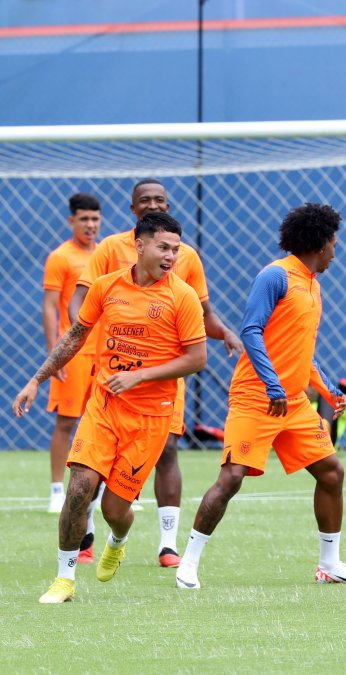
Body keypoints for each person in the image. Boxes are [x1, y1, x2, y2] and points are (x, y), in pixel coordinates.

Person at [175, 203, 346, 589]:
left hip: (293, 401)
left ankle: (329, 565)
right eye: (334, 243)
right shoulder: (275, 275)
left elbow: (299, 350)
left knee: (332, 473)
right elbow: (251, 331)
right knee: (231, 478)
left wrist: (328, 390)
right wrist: (272, 384)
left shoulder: (313, 284)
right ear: (320, 243)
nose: (335, 251)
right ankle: (188, 563)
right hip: (257, 396)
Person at [14, 211, 207, 603]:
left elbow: (197, 358)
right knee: (79, 488)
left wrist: (141, 375)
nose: (171, 256)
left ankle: (118, 539)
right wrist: (37, 378)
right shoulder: (107, 286)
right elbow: (76, 335)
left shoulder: (182, 296)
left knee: (115, 509)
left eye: (175, 250)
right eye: (163, 247)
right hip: (104, 406)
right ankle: (64, 579)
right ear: (139, 244)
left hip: (151, 417)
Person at [68, 178, 244, 568]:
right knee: (90, 464)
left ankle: (167, 544)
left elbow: (203, 313)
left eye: (159, 199)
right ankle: (87, 537)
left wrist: (226, 332)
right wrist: (84, 331)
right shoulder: (109, 249)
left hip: (161, 378)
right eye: (144, 199)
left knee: (167, 449)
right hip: (113, 373)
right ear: (133, 210)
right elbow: (81, 301)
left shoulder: (186, 257)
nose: (152, 204)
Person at [42, 193, 101, 516]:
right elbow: (51, 307)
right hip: (74, 354)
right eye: (84, 219)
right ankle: (56, 490)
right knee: (66, 422)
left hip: (104, 354)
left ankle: (104, 491)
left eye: (95, 219)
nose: (90, 225)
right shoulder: (60, 257)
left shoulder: (105, 253)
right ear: (72, 221)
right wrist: (55, 353)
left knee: (106, 422)